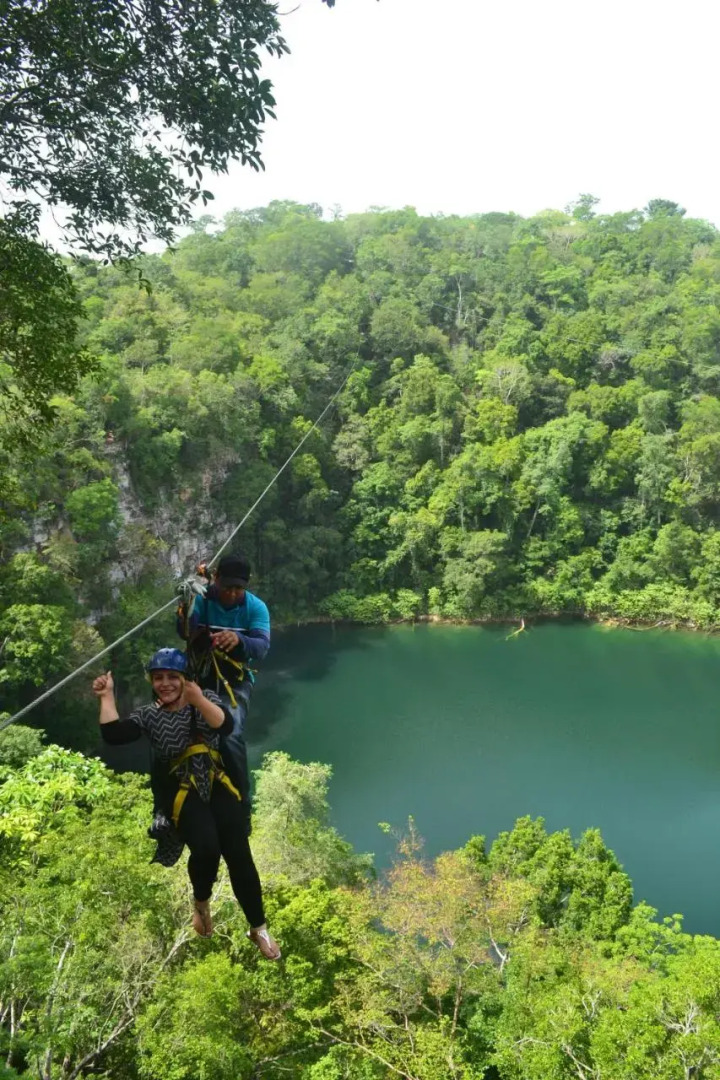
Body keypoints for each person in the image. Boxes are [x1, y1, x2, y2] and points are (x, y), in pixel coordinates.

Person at [92, 648, 280, 959]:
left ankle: (258, 927)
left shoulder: (204, 697)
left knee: (238, 852)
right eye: (158, 678)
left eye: (172, 677)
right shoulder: (149, 714)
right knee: (206, 847)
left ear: (184, 679)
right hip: (183, 787)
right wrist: (107, 697)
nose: (164, 683)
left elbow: (225, 727)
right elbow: (115, 735)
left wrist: (197, 700)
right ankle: (201, 903)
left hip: (215, 778)